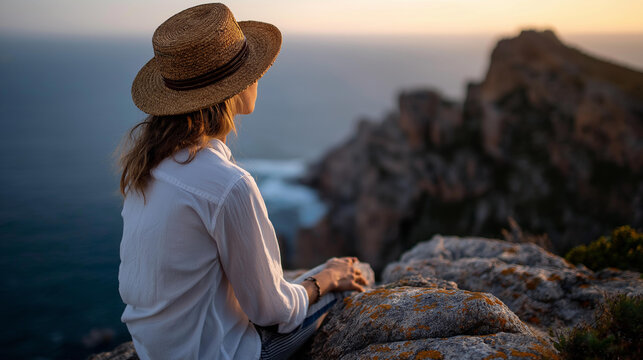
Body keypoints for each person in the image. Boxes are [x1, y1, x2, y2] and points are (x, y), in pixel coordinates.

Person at [117, 3, 369, 360]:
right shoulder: (227, 184)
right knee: (358, 275)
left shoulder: (147, 169)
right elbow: (272, 311)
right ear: (233, 87)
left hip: (154, 352)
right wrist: (325, 279)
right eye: (251, 70)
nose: (257, 77)